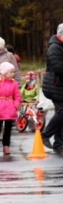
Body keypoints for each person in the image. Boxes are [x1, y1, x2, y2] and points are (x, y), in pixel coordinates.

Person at [0, 62, 21, 155]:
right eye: (11, 72)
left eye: (13, 72)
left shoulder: (14, 83)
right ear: (4, 73)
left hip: (10, 107)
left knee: (8, 128)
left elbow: (17, 96)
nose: (13, 74)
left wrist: (15, 105)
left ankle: (6, 145)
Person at [41, 24, 63, 154]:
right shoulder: (55, 47)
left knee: (61, 113)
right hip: (54, 85)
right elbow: (57, 67)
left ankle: (59, 143)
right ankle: (45, 135)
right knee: (62, 111)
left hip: (58, 85)